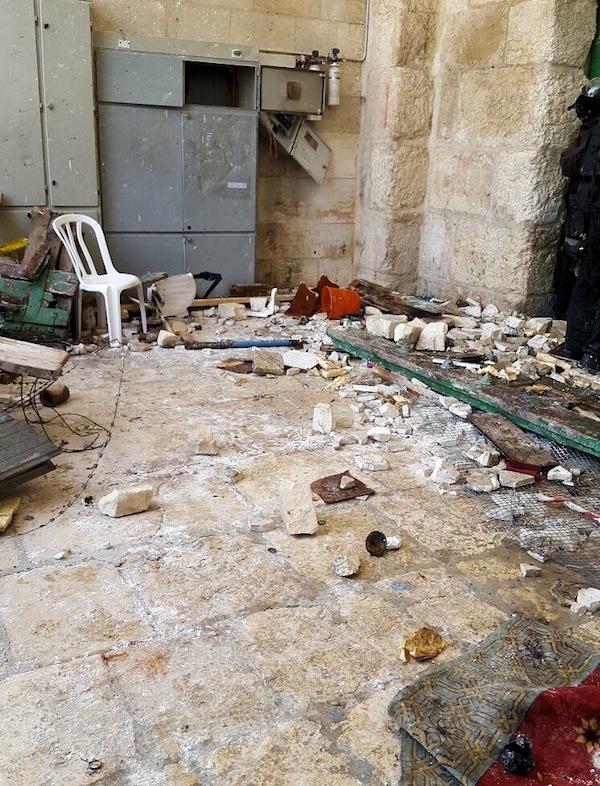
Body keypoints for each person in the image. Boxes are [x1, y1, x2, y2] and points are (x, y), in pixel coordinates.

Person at [556, 79, 600, 374]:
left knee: (587, 281)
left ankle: (578, 347)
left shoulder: (591, 132)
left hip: (589, 218)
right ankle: (589, 352)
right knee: (588, 281)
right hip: (591, 217)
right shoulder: (592, 133)